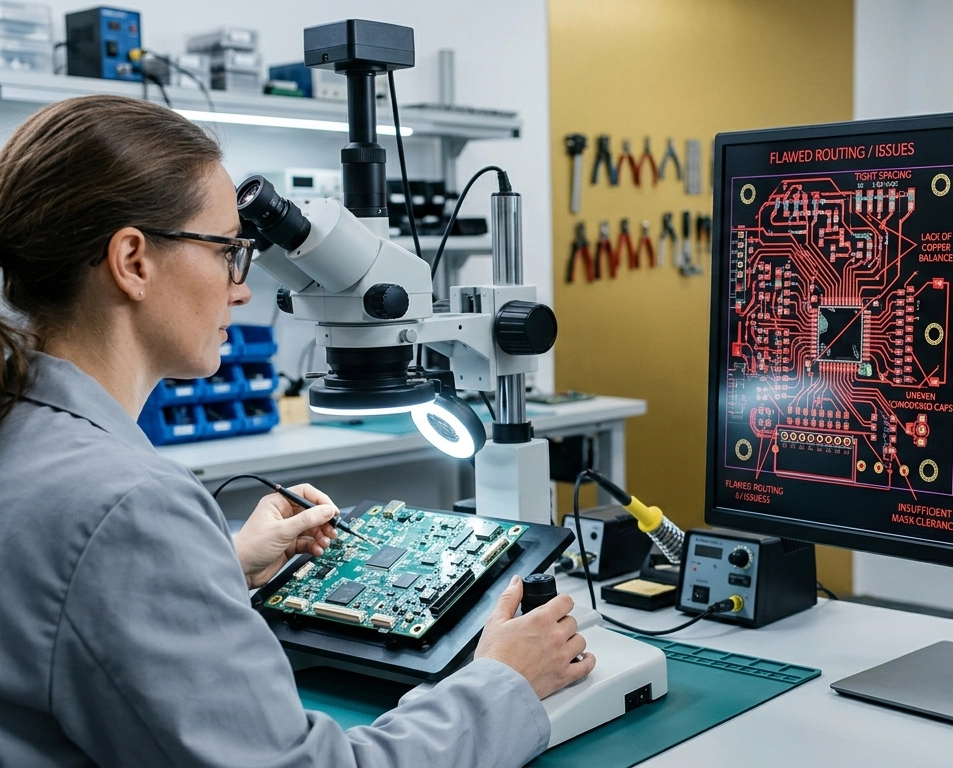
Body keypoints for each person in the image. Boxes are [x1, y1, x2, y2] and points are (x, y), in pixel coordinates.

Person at [0, 95, 594, 767]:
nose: (242, 289)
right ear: (133, 261)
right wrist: (503, 683)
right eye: (228, 252)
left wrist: (212, 569)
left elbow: (62, 608)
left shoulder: (24, 434)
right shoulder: (127, 506)